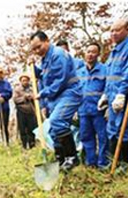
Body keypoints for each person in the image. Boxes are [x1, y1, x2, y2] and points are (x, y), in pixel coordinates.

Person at [31, 30, 83, 171]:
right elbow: (44, 76)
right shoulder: (45, 58)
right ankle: (61, 160)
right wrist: (34, 69)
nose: (37, 51)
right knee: (53, 130)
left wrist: (42, 94)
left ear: (47, 41)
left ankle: (72, 157)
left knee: (57, 121)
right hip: (55, 97)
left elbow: (60, 80)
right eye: (34, 49)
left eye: (39, 46)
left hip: (69, 93)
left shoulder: (58, 54)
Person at [102, 18, 128, 164]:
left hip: (124, 99)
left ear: (127, 30)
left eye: (117, 30)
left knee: (125, 129)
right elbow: (109, 76)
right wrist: (105, 94)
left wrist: (122, 93)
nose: (113, 33)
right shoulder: (113, 51)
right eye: (111, 31)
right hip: (112, 98)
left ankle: (126, 165)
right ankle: (113, 163)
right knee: (112, 130)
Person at [78, 42, 109, 168]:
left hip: (99, 110)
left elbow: (109, 88)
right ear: (84, 54)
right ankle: (91, 163)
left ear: (98, 55)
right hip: (83, 111)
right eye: (88, 51)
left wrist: (107, 104)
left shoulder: (105, 70)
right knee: (86, 137)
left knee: (103, 137)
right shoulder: (79, 73)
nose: (90, 54)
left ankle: (103, 163)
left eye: (93, 52)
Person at [12, 74, 38, 149]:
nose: (25, 82)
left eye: (26, 80)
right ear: (21, 81)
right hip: (21, 111)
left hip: (31, 111)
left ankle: (32, 144)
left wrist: (32, 97)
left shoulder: (32, 89)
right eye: (23, 80)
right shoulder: (17, 90)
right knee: (22, 129)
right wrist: (24, 98)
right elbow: (15, 100)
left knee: (32, 128)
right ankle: (24, 145)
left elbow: (36, 97)